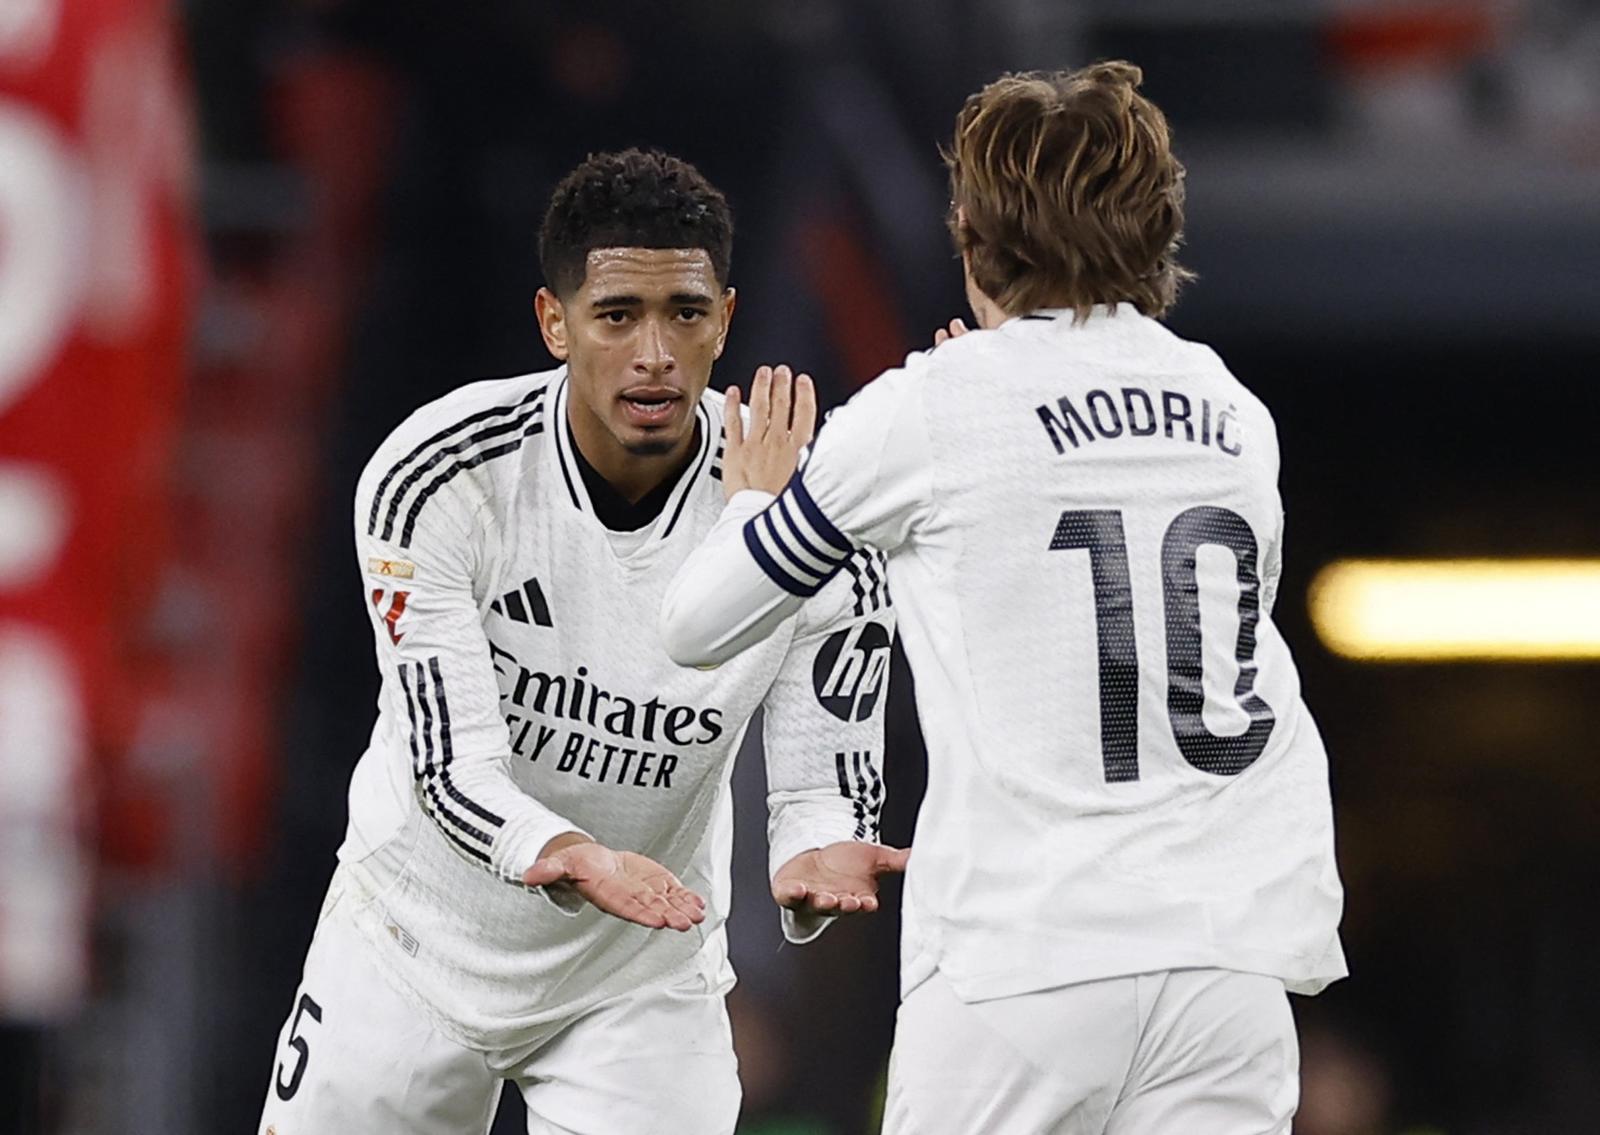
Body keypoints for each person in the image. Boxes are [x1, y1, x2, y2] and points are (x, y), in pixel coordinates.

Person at [660, 62, 1346, 1134]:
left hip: (1025, 962)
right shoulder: (1233, 414)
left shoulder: (932, 408)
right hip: (1226, 968)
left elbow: (697, 623)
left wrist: (752, 499)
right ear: (1158, 226)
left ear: (972, 235)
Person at [259, 148, 906, 1135]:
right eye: (616, 316)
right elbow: (448, 765)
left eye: (685, 314)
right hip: (413, 940)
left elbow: (823, 773)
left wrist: (817, 844)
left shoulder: (814, 505)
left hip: (635, 973)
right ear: (554, 323)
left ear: (726, 318)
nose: (654, 352)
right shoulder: (439, 475)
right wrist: (565, 850)